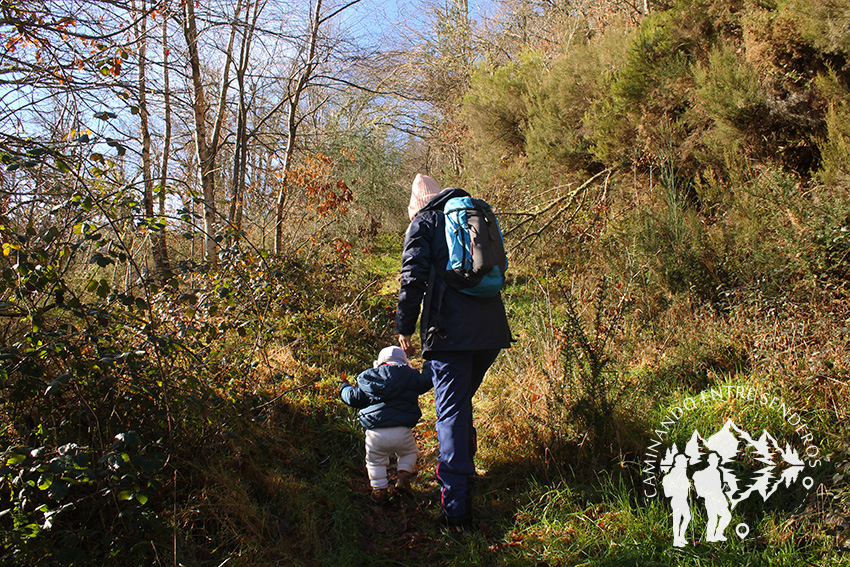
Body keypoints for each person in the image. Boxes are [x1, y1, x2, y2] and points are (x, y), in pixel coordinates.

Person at [396, 173, 512, 530]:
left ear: (416, 204)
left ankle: (456, 508)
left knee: (449, 415)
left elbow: (412, 276)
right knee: (459, 405)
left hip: (450, 333)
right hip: (491, 331)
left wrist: (404, 325)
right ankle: (466, 472)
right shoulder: (476, 212)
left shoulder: (425, 222)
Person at [339, 345, 433, 503]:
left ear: (379, 363)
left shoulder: (369, 379)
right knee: (409, 453)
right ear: (404, 362)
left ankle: (379, 489)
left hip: (375, 434)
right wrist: (429, 363)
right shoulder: (410, 377)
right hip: (402, 431)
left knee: (375, 461)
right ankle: (403, 477)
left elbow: (353, 398)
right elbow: (427, 380)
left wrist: (344, 388)